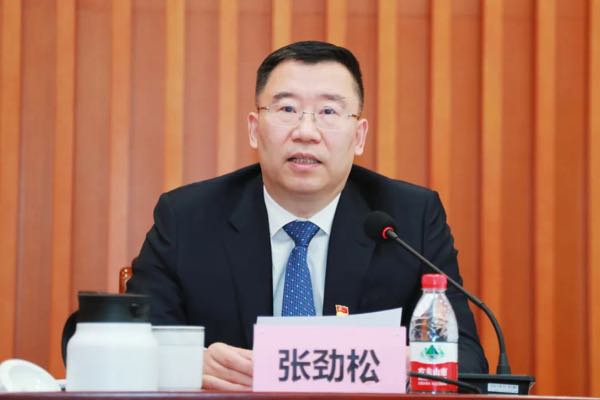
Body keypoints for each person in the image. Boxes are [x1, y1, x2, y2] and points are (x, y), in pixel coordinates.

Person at [127, 41, 488, 390]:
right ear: (254, 129)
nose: (306, 132)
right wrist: (191, 363)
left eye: (329, 112)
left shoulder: (409, 219)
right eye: (286, 110)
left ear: (359, 136)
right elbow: (131, 342)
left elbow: (468, 358)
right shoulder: (187, 218)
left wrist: (410, 363)